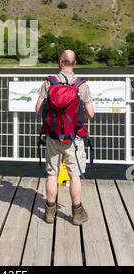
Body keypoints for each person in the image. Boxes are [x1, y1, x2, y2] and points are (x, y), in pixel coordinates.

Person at [35, 49, 94, 225]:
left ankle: (49, 213)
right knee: (74, 175)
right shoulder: (81, 85)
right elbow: (90, 113)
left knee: (52, 174)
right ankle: (77, 213)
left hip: (53, 136)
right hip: (73, 138)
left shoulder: (49, 82)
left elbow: (38, 109)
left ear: (60, 62)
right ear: (74, 64)